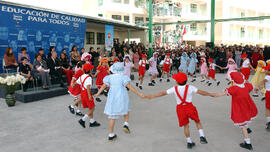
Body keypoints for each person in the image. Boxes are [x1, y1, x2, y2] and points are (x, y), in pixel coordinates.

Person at [145, 72, 211, 149]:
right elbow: (202, 92)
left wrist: (152, 96)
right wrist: (210, 94)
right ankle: (202, 136)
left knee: (186, 126)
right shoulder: (190, 87)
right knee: (197, 121)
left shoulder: (174, 89)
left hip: (180, 109)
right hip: (189, 107)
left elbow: (163, 93)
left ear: (177, 82)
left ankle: (189, 142)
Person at [94, 62, 144, 141]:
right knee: (126, 110)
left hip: (112, 97)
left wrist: (97, 93)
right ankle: (126, 124)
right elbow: (130, 87)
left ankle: (111, 135)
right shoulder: (123, 77)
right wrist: (139, 93)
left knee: (112, 116)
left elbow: (104, 86)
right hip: (122, 96)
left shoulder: (109, 77)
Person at [211, 72, 258, 150]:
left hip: (240, 109)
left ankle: (248, 143)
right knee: (246, 119)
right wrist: (257, 89)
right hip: (248, 107)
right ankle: (247, 127)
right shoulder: (247, 86)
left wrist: (211, 95)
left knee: (242, 125)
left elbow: (220, 94)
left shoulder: (234, 88)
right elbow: (255, 87)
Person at [73, 63, 101, 128]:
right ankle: (83, 120)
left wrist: (73, 85)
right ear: (89, 70)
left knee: (90, 107)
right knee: (92, 108)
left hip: (82, 93)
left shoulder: (82, 76)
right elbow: (88, 87)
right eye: (91, 69)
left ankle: (92, 121)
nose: (91, 69)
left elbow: (75, 83)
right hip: (86, 93)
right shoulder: (89, 78)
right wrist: (89, 96)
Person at [261, 64, 270, 131]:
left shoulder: (267, 77)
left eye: (265, 69)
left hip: (269, 93)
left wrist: (256, 87)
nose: (264, 70)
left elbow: (262, 82)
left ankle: (269, 122)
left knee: (268, 108)